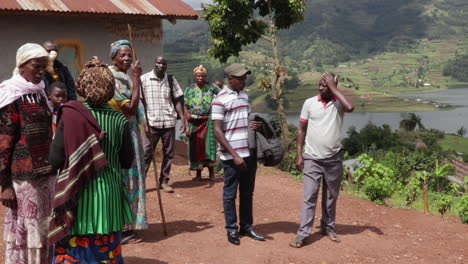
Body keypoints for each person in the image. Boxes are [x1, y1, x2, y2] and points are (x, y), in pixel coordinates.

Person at [48, 56, 134, 263]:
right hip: (109, 196)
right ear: (111, 88)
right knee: (106, 252)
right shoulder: (120, 120)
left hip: (76, 193)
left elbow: (55, 159)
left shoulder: (70, 116)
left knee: (74, 252)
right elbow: (126, 162)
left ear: (81, 88)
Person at [0, 43, 55, 264]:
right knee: (25, 227)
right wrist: (4, 185)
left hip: (46, 175)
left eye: (44, 66)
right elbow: (3, 142)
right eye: (36, 66)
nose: (41, 71)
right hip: (24, 180)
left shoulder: (40, 92)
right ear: (22, 65)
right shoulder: (9, 96)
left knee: (43, 226)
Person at [289, 73, 354, 248]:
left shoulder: (339, 103)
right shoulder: (309, 103)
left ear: (333, 86)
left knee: (331, 196)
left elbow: (350, 107)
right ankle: (303, 233)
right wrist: (299, 153)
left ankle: (328, 227)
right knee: (310, 195)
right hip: (312, 157)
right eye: (320, 85)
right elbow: (301, 129)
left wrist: (334, 88)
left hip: (334, 157)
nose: (320, 88)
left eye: (325, 85)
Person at [211, 63, 265, 245]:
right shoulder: (219, 100)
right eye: (240, 78)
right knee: (230, 193)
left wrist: (254, 125)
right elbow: (217, 131)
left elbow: (245, 121)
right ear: (230, 79)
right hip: (231, 156)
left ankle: (247, 226)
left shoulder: (244, 96)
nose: (244, 81)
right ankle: (231, 229)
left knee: (248, 193)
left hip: (248, 152)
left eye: (244, 78)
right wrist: (234, 155)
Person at [108, 40, 148, 242]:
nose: (127, 59)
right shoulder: (112, 79)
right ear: (113, 57)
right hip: (120, 133)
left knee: (133, 176)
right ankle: (121, 226)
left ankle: (130, 222)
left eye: (129, 55)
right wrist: (136, 77)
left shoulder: (127, 77)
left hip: (131, 132)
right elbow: (130, 109)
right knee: (124, 177)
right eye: (122, 55)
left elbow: (138, 105)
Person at [140, 56, 186, 193]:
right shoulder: (144, 79)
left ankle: (164, 181)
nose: (161, 65)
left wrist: (182, 118)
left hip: (168, 122)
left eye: (164, 63)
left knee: (169, 153)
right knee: (147, 153)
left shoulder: (170, 80)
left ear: (166, 65)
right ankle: (141, 182)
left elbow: (177, 100)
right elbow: (140, 103)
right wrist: (144, 122)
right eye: (159, 63)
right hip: (151, 123)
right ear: (154, 63)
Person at [184, 65, 220, 180]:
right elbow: (185, 106)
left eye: (202, 76)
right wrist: (186, 118)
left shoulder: (211, 87)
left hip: (208, 120)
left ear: (206, 77)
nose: (200, 77)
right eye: (198, 75)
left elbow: (223, 95)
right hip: (194, 121)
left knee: (209, 146)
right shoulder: (189, 89)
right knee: (196, 147)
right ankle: (198, 173)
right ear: (195, 76)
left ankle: (211, 172)